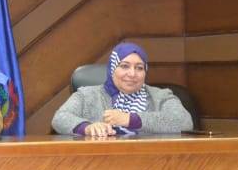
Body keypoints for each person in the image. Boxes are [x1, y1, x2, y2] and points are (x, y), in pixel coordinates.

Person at [52, 42, 193, 137]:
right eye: (124, 66)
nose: (132, 74)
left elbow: (185, 122)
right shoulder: (86, 95)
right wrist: (87, 128)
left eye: (139, 68)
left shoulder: (161, 96)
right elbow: (60, 118)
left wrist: (131, 119)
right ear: (112, 69)